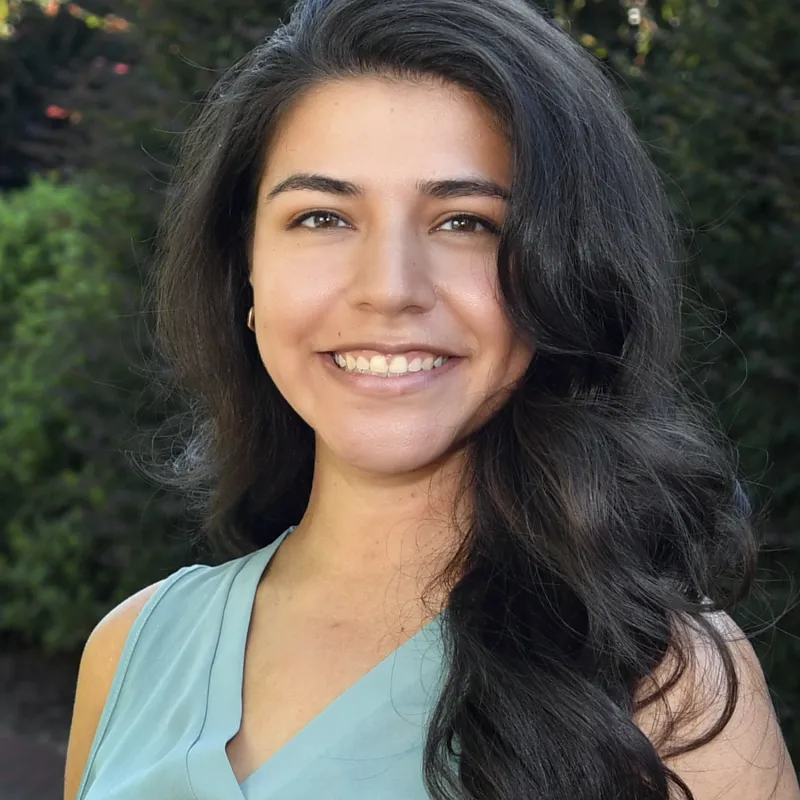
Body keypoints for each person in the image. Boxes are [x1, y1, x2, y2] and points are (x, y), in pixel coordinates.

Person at [64, 0, 799, 798]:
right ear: (246, 270)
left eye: (464, 222)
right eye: (321, 216)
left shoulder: (664, 682)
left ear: (564, 277)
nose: (390, 289)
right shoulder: (131, 651)